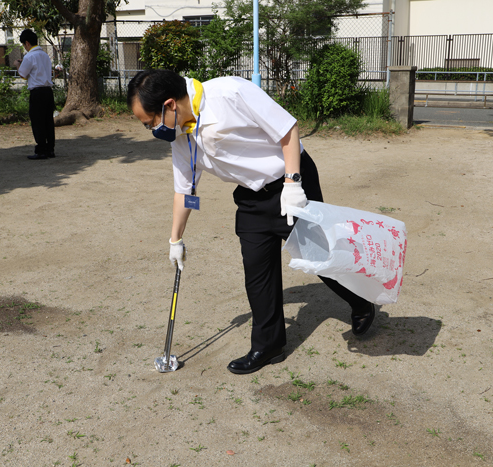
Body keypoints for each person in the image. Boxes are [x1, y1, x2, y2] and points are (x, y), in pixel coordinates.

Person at [127, 70, 376, 375]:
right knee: (257, 270)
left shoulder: (230, 92)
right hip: (251, 196)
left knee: (317, 256)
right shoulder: (181, 137)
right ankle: (268, 343)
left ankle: (361, 302)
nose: (151, 130)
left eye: (150, 122)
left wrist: (293, 183)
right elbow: (185, 190)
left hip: (290, 180)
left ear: (169, 105)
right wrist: (175, 240)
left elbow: (287, 130)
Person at [14, 29, 55, 160]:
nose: (24, 48)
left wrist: (17, 65)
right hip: (48, 91)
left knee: (37, 121)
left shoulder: (29, 56)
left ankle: (41, 149)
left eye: (23, 45)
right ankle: (50, 149)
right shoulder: (45, 55)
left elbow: (23, 74)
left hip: (37, 92)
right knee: (48, 121)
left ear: (27, 43)